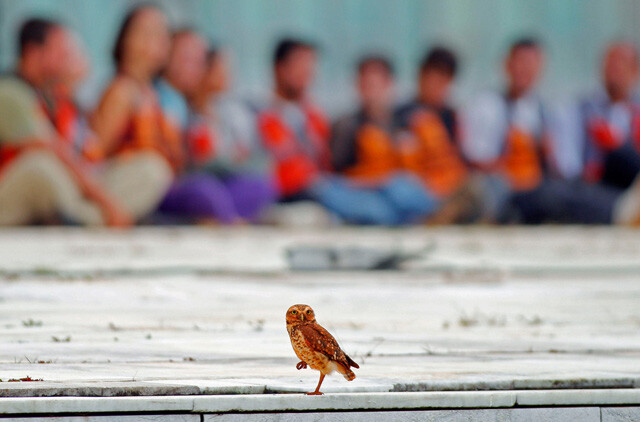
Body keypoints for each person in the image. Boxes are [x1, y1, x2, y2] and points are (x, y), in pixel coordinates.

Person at [0, 18, 170, 226]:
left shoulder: (57, 97)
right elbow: (57, 153)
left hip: (73, 189)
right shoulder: (10, 93)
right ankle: (91, 219)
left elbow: (89, 156)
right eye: (62, 51)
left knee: (151, 168)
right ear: (34, 53)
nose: (69, 57)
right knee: (41, 167)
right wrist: (108, 203)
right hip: (22, 193)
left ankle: (87, 219)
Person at [257, 39, 438, 225]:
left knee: (401, 187)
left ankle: (432, 211)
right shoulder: (263, 114)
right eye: (301, 65)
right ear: (281, 68)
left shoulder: (313, 116)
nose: (308, 72)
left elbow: (326, 164)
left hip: (326, 184)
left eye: (310, 65)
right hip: (298, 189)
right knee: (381, 205)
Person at [463, 38, 640, 224]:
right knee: (556, 193)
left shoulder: (541, 110)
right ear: (506, 64)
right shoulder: (488, 106)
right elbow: (476, 160)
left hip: (614, 185)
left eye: (532, 65)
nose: (525, 70)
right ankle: (623, 212)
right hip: (515, 186)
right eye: (611, 64)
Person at [91, 5, 183, 172]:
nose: (162, 40)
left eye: (164, 33)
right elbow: (95, 155)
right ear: (126, 40)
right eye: (150, 32)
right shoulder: (121, 91)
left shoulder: (151, 91)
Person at [577, 42, 640, 190]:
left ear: (635, 71)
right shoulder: (584, 109)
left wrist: (617, 144)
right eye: (610, 63)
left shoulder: (635, 111)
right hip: (595, 186)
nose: (615, 69)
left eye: (622, 63)